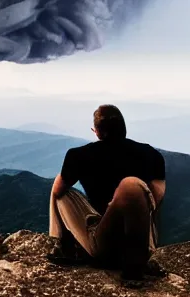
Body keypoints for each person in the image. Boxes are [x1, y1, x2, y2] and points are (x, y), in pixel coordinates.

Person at [49, 104, 166, 281]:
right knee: (138, 190)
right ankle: (143, 253)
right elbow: (155, 200)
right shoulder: (151, 155)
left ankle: (62, 247)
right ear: (124, 129)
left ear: (97, 131)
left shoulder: (79, 155)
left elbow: (58, 191)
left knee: (63, 193)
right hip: (142, 242)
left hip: (103, 247)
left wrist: (69, 171)